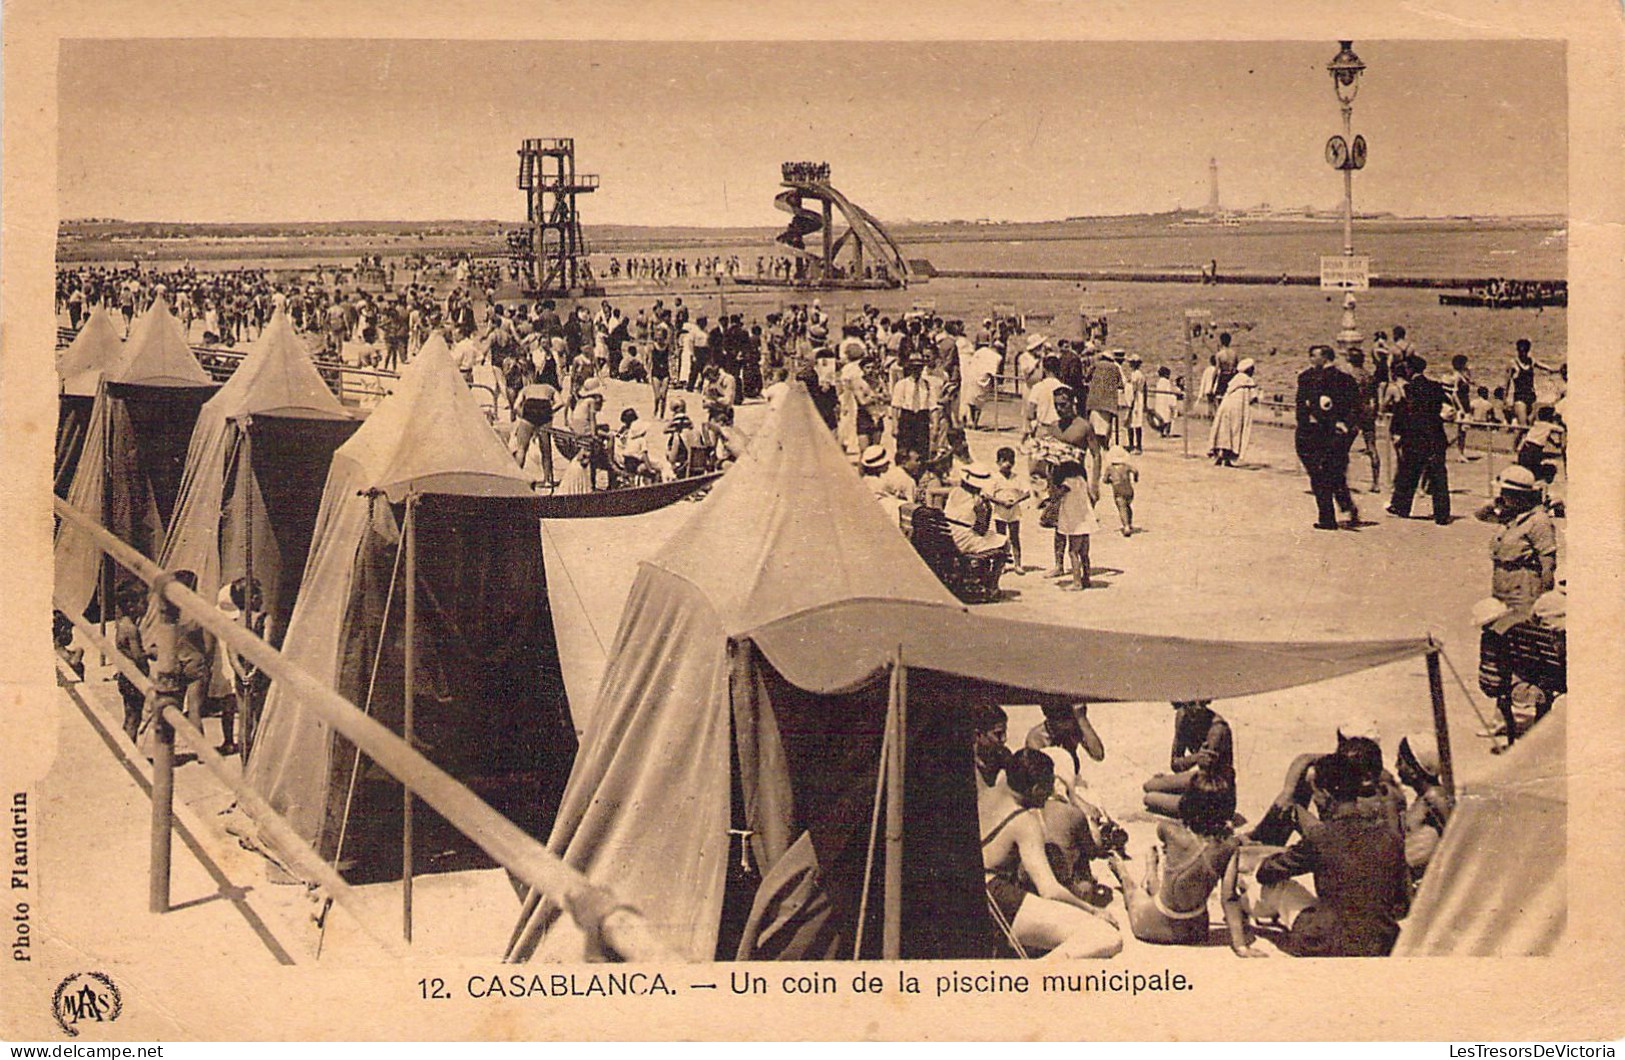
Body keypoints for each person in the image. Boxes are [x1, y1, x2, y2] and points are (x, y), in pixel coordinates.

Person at [1252, 754, 1411, 957]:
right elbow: (1403, 902)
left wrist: (1278, 855)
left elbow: (1265, 873)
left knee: (1280, 887)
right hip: (1382, 943)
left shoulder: (1321, 836)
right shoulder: (1390, 837)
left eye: (1315, 793)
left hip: (1328, 944)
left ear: (1325, 794)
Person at [980, 749, 1123, 958]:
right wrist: (1092, 910)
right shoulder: (1024, 821)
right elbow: (1049, 890)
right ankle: (1035, 977)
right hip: (995, 896)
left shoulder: (985, 794)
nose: (1051, 793)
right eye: (1049, 786)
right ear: (1037, 789)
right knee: (1105, 936)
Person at [1107, 779, 1260, 954]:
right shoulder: (1230, 847)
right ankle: (1151, 874)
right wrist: (1241, 946)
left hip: (1154, 926)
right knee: (1172, 886)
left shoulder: (1169, 830)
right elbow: (1229, 898)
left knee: (1134, 893)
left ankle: (1126, 871)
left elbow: (1170, 831)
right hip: (1196, 930)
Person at [1295, 345, 1361, 530]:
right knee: (1333, 472)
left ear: (1324, 358)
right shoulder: (1346, 379)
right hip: (1335, 434)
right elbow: (1356, 407)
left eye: (1313, 355)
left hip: (1312, 433)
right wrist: (1346, 426)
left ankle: (1328, 517)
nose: (1310, 358)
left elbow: (1302, 410)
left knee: (1319, 475)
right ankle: (1344, 504)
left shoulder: (1307, 378)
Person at [1478, 465, 1558, 612]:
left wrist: (1544, 601)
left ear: (1518, 495)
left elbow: (1548, 565)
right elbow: (1480, 515)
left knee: (1519, 628)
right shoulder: (1511, 515)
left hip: (1524, 588)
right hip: (1501, 584)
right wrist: (1496, 503)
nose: (1501, 495)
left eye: (1505, 493)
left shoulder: (1538, 521)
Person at [1387, 354, 1452, 525]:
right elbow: (1446, 405)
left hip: (1415, 437)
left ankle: (1402, 506)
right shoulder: (1436, 387)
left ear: (1410, 369)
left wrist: (1396, 431)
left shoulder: (1409, 389)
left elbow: (1403, 412)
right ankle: (1442, 514)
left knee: (1409, 472)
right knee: (1438, 475)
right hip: (1436, 434)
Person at [1142, 700, 1235, 818]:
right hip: (1200, 782)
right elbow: (1175, 764)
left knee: (1149, 798)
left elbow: (1206, 780)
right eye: (1192, 703)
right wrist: (1197, 757)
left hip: (1216, 798)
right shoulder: (1182, 716)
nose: (1198, 708)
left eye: (1201, 703)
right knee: (1149, 786)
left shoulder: (1217, 730)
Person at [1394, 732, 1452, 881]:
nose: (1396, 766)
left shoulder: (1435, 798)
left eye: (1400, 761)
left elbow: (1454, 840)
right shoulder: (1423, 798)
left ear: (1414, 770)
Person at [943, 464, 1009, 559]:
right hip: (962, 541)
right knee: (1004, 541)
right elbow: (981, 529)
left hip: (947, 533)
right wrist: (988, 509)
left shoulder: (955, 491)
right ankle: (994, 573)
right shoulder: (977, 500)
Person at [1050, 458, 1097, 591]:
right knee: (1084, 553)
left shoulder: (1066, 483)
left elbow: (1055, 496)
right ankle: (1086, 578)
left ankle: (1077, 582)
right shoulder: (1082, 481)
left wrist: (1050, 478)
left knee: (1073, 552)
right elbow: (1092, 497)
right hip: (1085, 521)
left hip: (1074, 522)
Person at [1207, 357, 1258, 466]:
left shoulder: (1235, 380)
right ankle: (1227, 457)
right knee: (1234, 431)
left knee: (1223, 430)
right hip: (1238, 409)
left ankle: (1220, 455)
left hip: (1226, 406)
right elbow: (1253, 397)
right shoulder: (1248, 381)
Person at [1343, 349, 1382, 493]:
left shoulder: (1349, 376)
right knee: (1372, 446)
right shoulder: (1369, 376)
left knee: (1344, 447)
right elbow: (1375, 398)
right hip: (1367, 411)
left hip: (1353, 412)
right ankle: (1376, 482)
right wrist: (1375, 413)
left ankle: (1343, 479)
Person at [988, 447, 1031, 573]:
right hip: (1000, 512)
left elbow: (1027, 492)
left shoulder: (1017, 478)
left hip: (1014, 511)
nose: (1007, 464)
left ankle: (1018, 564)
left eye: (1010, 461)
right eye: (1004, 461)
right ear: (998, 462)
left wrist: (1016, 501)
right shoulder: (994, 478)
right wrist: (1002, 502)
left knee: (1014, 537)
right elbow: (988, 495)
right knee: (1001, 538)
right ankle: (1002, 564)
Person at [1102, 445, 1138, 537]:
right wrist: (1135, 479)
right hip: (1129, 489)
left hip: (1118, 490)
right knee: (1128, 506)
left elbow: (1105, 480)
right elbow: (1135, 471)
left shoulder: (1110, 468)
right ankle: (1129, 523)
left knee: (1122, 508)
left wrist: (1111, 481)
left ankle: (1126, 526)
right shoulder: (1126, 466)